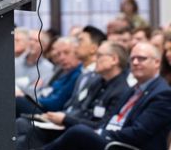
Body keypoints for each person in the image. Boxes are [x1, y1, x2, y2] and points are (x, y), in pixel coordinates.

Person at [43, 42, 171, 150]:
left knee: (79, 132)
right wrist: (100, 130)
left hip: (126, 146)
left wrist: (102, 133)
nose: (135, 62)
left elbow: (139, 133)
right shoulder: (133, 90)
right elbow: (108, 120)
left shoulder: (162, 93)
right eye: (132, 59)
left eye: (141, 58)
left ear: (157, 63)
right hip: (113, 139)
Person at [16, 42, 129, 150]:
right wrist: (64, 117)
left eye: (99, 55)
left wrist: (66, 119)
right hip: (73, 123)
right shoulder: (97, 81)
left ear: (114, 60)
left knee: (75, 132)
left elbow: (103, 125)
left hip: (88, 132)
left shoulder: (122, 90)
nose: (95, 59)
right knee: (26, 127)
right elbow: (82, 109)